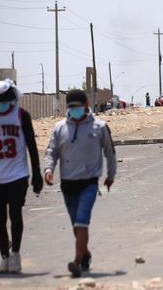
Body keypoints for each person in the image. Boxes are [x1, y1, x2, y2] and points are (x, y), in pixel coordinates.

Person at [44, 90, 117, 278]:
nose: (74, 110)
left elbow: (110, 152)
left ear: (86, 105)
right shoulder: (60, 128)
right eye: (71, 107)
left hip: (89, 183)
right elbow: (51, 152)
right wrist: (48, 170)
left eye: (77, 107)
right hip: (68, 184)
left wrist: (110, 175)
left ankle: (76, 261)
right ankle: (85, 255)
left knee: (82, 222)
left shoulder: (100, 127)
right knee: (76, 226)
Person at [0, 79, 43, 274]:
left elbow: (31, 145)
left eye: (4, 100)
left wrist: (36, 174)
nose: (0, 103)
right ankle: (4, 257)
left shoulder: (21, 116)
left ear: (12, 99)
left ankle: (16, 254)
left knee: (15, 214)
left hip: (17, 175)